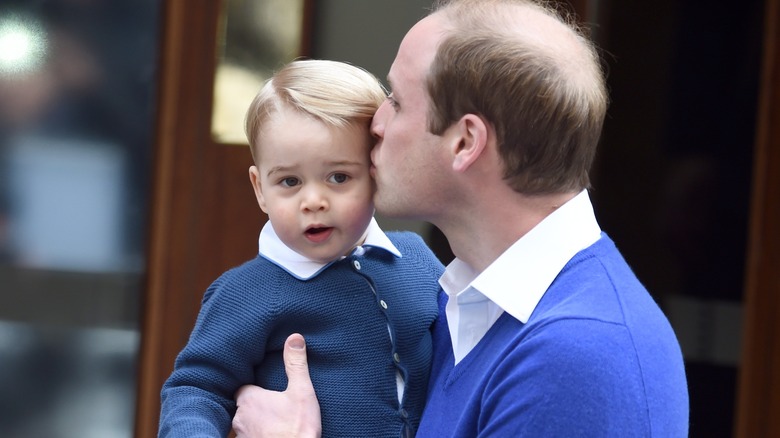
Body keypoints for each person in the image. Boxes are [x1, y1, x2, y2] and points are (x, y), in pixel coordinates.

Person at [231, 0, 690, 437]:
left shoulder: (579, 358)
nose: (375, 122)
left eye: (398, 101)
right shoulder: (465, 304)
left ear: (465, 142)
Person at [158, 59, 444, 438]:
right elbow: (197, 388)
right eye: (290, 181)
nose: (313, 201)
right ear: (260, 189)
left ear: (377, 170)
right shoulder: (246, 292)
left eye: (338, 177)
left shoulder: (416, 260)